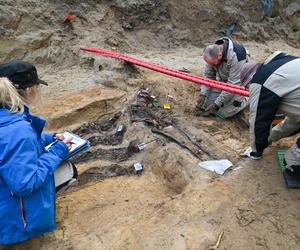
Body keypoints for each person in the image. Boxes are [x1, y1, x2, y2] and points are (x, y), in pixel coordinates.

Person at [0, 61, 74, 245]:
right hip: (12, 221)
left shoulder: (8, 117)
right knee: (68, 171)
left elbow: (10, 146)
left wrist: (49, 138)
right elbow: (25, 184)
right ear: (27, 90)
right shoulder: (19, 131)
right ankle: (25, 234)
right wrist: (58, 151)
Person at [240, 51, 300, 177]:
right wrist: (270, 137)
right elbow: (294, 122)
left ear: (250, 81)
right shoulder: (282, 66)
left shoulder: (260, 82)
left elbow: (258, 121)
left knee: (292, 165)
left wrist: (256, 151)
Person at [197, 37, 249, 118]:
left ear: (220, 55)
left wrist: (216, 104)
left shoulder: (237, 56)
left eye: (213, 63)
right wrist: (203, 94)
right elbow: (208, 76)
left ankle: (247, 99)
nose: (212, 65)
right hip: (225, 83)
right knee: (206, 105)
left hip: (241, 86)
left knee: (222, 113)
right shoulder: (213, 52)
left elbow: (233, 85)